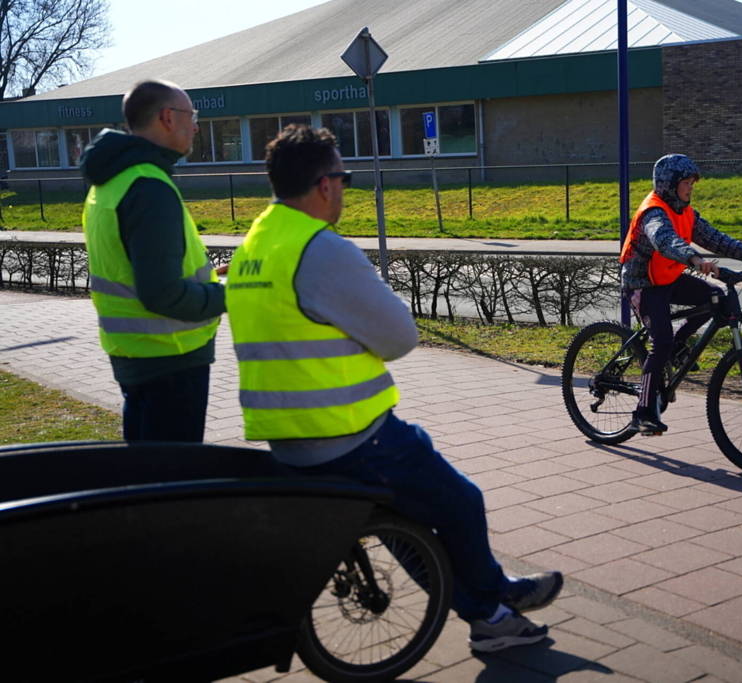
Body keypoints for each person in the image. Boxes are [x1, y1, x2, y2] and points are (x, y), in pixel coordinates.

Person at [225, 124, 563, 653]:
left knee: (410, 510)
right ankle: (494, 605)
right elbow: (400, 337)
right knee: (461, 502)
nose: (345, 187)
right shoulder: (319, 248)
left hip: (286, 440)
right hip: (351, 432)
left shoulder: (253, 247)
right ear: (323, 185)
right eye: (344, 176)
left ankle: (492, 610)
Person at [81, 79, 226, 443]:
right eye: (191, 116)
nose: (195, 126)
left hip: (136, 356)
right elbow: (162, 295)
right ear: (167, 117)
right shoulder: (149, 186)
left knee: (147, 475)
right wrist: (230, 293)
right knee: (171, 481)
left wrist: (210, 278)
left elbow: (135, 269)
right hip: (171, 359)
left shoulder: (110, 181)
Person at [620, 154, 742, 435]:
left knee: (714, 298)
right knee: (661, 341)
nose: (691, 187)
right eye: (686, 182)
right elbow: (665, 240)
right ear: (669, 184)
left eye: (693, 182)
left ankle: (676, 350)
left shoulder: (685, 212)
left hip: (667, 278)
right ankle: (642, 412)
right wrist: (694, 259)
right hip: (642, 283)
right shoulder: (653, 212)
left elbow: (713, 237)